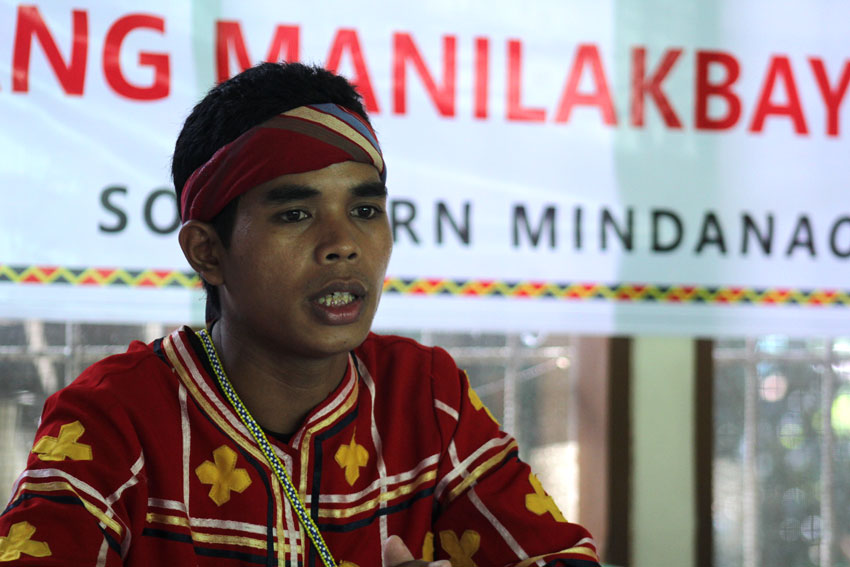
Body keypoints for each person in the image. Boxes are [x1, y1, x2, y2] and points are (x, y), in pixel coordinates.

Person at [0, 62, 600, 567]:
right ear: (208, 251)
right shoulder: (114, 417)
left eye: (365, 210)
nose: (343, 244)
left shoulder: (423, 396)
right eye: (295, 214)